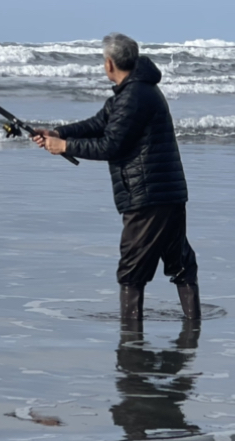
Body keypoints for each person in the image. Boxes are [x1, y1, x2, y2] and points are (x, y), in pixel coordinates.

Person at [33, 32, 201, 325]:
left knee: (131, 270)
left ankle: (131, 340)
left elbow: (111, 145)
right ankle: (192, 324)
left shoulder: (134, 96)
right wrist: (59, 133)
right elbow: (100, 123)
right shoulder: (136, 91)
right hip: (167, 193)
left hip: (146, 195)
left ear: (109, 64)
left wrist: (65, 147)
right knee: (179, 262)